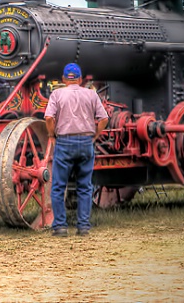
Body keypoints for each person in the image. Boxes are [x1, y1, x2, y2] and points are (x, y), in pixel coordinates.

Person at [44, 63, 109, 237]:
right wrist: (95, 135)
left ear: (64, 79)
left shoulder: (57, 94)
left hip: (64, 142)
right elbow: (104, 118)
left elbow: (49, 117)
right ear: (80, 79)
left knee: (58, 186)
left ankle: (60, 227)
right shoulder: (91, 94)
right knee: (85, 187)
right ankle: (83, 227)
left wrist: (51, 135)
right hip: (86, 141)